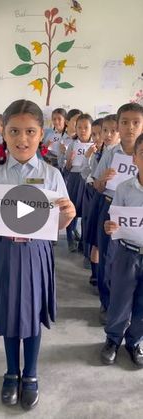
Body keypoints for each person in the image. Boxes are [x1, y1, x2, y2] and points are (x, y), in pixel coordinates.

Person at [0, 99, 75, 410]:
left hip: (36, 253)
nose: (22, 139)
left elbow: (56, 223)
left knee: (30, 316)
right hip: (5, 252)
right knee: (9, 313)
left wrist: (67, 217)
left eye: (30, 131)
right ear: (2, 132)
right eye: (14, 131)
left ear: (41, 134)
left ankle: (30, 373)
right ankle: (10, 371)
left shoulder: (52, 175)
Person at [93, 103, 143, 324]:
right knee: (108, 258)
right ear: (118, 125)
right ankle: (107, 302)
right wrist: (102, 179)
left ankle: (132, 311)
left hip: (137, 212)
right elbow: (98, 186)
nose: (130, 128)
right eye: (124, 122)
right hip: (110, 207)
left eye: (136, 122)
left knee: (133, 261)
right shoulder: (111, 153)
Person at [100, 133, 143, 367]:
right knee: (120, 300)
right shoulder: (125, 188)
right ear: (134, 158)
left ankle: (134, 341)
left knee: (142, 306)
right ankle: (112, 340)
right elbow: (114, 220)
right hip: (127, 252)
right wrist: (110, 226)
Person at [86, 114, 120, 292]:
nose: (108, 134)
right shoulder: (107, 153)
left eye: (113, 131)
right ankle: (98, 278)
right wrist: (102, 180)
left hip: (127, 206)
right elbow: (95, 181)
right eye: (105, 130)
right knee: (99, 244)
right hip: (102, 200)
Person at [65, 113, 93, 252]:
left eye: (86, 127)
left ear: (91, 129)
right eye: (79, 127)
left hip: (87, 180)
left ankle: (83, 241)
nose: (82, 130)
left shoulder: (95, 145)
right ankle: (70, 238)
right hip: (74, 179)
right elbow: (68, 168)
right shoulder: (72, 144)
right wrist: (70, 159)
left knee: (85, 210)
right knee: (72, 208)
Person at [80, 118, 103, 270]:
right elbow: (85, 173)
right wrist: (87, 157)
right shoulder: (94, 153)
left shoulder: (111, 153)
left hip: (104, 195)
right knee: (90, 224)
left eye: (99, 133)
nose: (96, 138)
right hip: (91, 191)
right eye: (93, 134)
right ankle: (89, 259)